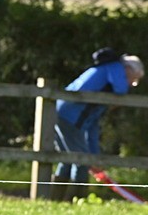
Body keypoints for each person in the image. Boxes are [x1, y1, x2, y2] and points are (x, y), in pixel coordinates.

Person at [52, 52, 144, 198]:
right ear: (127, 70)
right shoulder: (115, 68)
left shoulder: (102, 94)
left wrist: (95, 158)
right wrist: (118, 99)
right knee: (81, 161)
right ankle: (75, 201)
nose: (132, 84)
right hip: (68, 116)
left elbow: (92, 128)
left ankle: (55, 199)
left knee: (68, 159)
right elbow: (121, 90)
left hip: (62, 113)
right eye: (133, 79)